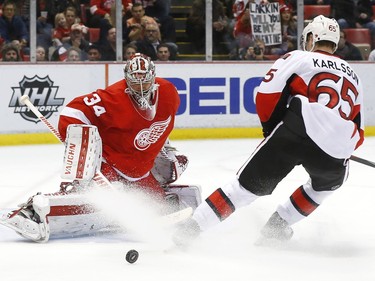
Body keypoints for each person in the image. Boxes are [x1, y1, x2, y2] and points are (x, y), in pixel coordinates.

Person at [174, 15, 364, 245]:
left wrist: (273, 130)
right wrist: (335, 145)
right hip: (337, 147)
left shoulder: (299, 57)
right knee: (324, 187)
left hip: (296, 130)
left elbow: (267, 94)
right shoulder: (354, 76)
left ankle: (191, 229)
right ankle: (276, 227)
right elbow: (358, 127)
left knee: (243, 189)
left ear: (312, 37)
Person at [0, 53, 201, 242]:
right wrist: (79, 143)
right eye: (134, 80)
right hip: (109, 165)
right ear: (126, 78)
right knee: (98, 199)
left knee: (157, 203)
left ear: (154, 77)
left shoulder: (169, 93)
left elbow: (158, 125)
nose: (140, 86)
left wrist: (166, 149)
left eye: (144, 79)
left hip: (140, 172)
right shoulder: (113, 97)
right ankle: (32, 211)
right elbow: (72, 112)